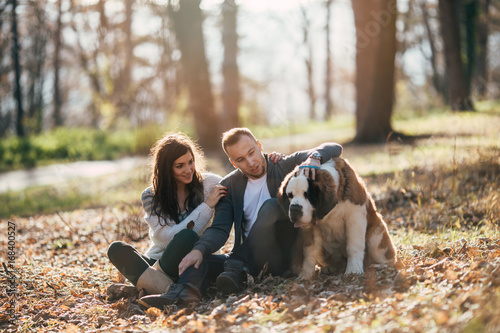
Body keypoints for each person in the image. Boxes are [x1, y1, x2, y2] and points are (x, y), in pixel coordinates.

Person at [140, 128, 343, 308]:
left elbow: (334, 147)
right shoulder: (230, 186)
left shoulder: (284, 165)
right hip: (245, 262)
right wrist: (199, 250)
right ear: (233, 162)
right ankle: (184, 293)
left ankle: (237, 267)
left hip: (283, 256)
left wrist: (314, 158)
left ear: (259, 146)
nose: (251, 162)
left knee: (272, 205)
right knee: (200, 260)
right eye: (241, 160)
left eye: (252, 152)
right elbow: (219, 229)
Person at [107, 132, 226, 295]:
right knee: (116, 249)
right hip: (160, 260)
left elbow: (240, 182)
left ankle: (150, 286)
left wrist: (271, 162)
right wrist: (207, 206)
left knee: (188, 237)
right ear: (166, 168)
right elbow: (165, 239)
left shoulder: (209, 184)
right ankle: (171, 289)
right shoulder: (151, 196)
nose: (188, 169)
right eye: (180, 166)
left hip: (194, 262)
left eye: (190, 162)